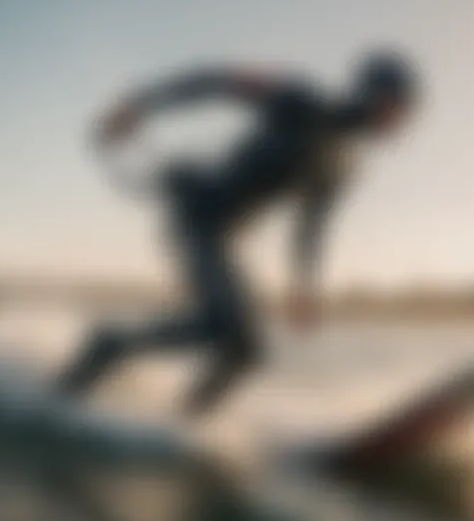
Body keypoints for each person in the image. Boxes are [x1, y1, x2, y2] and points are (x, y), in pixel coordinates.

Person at [55, 49, 419, 416]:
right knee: (222, 325)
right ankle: (106, 347)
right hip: (198, 214)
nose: (402, 119)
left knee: (247, 350)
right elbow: (217, 81)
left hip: (223, 236)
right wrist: (139, 106)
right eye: (400, 105)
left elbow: (311, 227)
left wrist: (304, 286)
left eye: (407, 111)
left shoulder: (341, 167)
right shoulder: (299, 100)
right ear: (373, 92)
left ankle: (183, 424)